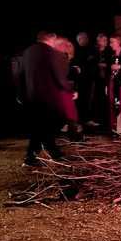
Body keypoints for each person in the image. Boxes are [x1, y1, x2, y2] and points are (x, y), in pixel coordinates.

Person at [20, 31, 77, 166]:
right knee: (48, 124)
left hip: (32, 95)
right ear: (50, 38)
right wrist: (70, 89)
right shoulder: (52, 53)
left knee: (41, 125)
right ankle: (33, 155)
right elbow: (59, 77)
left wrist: (21, 94)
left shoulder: (28, 51)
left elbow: (21, 73)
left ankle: (49, 151)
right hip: (49, 96)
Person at [88, 33, 111, 129]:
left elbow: (111, 62)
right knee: (95, 98)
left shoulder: (109, 50)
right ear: (98, 41)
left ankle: (105, 119)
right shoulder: (93, 50)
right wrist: (97, 64)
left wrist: (106, 65)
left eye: (106, 40)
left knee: (105, 97)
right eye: (103, 40)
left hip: (106, 77)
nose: (106, 42)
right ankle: (93, 118)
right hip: (95, 78)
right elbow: (89, 62)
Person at [73, 31, 94, 125]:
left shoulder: (90, 49)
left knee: (87, 99)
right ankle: (79, 119)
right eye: (84, 38)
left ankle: (86, 118)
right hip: (79, 80)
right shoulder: (75, 50)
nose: (87, 39)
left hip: (89, 79)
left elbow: (92, 62)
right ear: (79, 39)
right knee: (79, 100)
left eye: (86, 37)